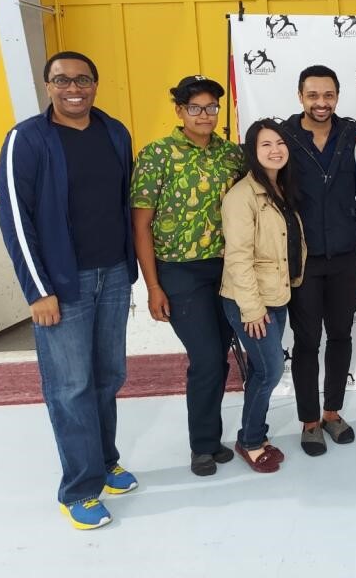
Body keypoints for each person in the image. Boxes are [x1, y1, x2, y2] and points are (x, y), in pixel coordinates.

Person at [0, 51, 138, 530]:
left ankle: (103, 460)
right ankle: (79, 488)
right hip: (62, 284)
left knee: (108, 375)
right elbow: (16, 220)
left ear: (95, 84)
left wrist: (130, 269)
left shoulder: (115, 132)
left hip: (114, 274)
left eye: (82, 79)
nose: (73, 87)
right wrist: (38, 291)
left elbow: (123, 202)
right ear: (48, 85)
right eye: (62, 79)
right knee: (70, 386)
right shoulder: (27, 139)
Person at [130, 75, 246, 476]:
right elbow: (141, 225)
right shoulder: (157, 155)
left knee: (220, 357)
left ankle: (212, 440)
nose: (204, 115)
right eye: (194, 107)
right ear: (179, 111)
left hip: (227, 270)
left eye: (211, 107)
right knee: (206, 358)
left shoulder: (231, 156)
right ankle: (201, 445)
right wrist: (153, 286)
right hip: (179, 271)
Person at [279, 65, 356, 456]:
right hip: (305, 259)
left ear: (337, 96)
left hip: (345, 254)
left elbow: (354, 182)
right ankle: (309, 421)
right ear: (300, 97)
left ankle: (332, 412)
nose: (321, 103)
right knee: (308, 341)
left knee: (341, 336)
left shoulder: (350, 132)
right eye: (313, 95)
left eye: (327, 95)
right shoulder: (284, 137)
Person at [220, 119, 307, 472]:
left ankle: (255, 432)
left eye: (280, 143)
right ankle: (251, 440)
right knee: (270, 371)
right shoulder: (242, 196)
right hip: (251, 301)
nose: (275, 150)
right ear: (253, 153)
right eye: (265, 145)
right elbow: (239, 257)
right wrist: (252, 309)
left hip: (277, 294)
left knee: (264, 368)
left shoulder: (280, 187)